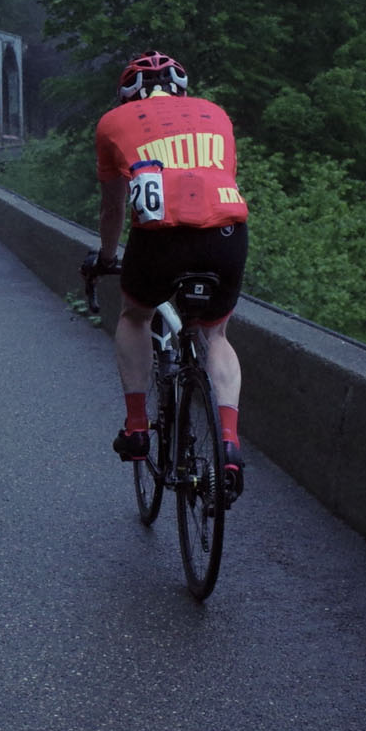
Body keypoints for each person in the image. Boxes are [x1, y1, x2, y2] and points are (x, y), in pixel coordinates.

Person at [91, 51, 250, 502]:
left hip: (159, 238)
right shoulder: (216, 113)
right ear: (180, 88)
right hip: (225, 230)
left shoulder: (113, 121)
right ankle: (230, 441)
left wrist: (106, 257)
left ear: (129, 92)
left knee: (135, 316)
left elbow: (112, 207)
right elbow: (220, 176)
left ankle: (138, 427)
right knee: (216, 336)